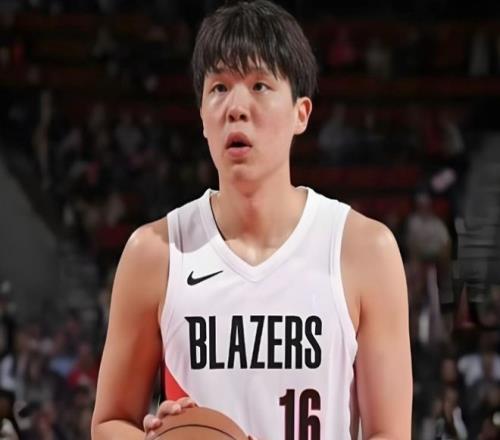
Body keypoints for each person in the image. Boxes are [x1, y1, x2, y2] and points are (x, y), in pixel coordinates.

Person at [91, 1, 412, 439]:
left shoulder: (365, 250)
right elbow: (110, 422)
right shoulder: (155, 253)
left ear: (301, 114)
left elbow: (389, 432)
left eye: (260, 85)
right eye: (219, 88)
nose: (236, 107)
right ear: (202, 117)